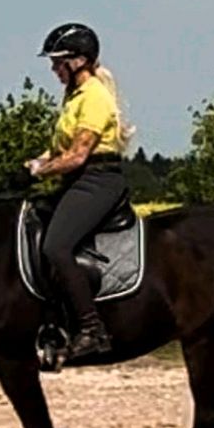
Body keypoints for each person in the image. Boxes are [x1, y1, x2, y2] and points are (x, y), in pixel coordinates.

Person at [25, 23, 133, 361]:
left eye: (59, 62)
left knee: (57, 245)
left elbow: (76, 156)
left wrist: (42, 170)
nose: (54, 69)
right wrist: (34, 162)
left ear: (79, 61)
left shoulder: (95, 97)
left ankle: (92, 329)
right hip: (78, 180)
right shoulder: (73, 96)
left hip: (98, 179)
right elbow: (59, 148)